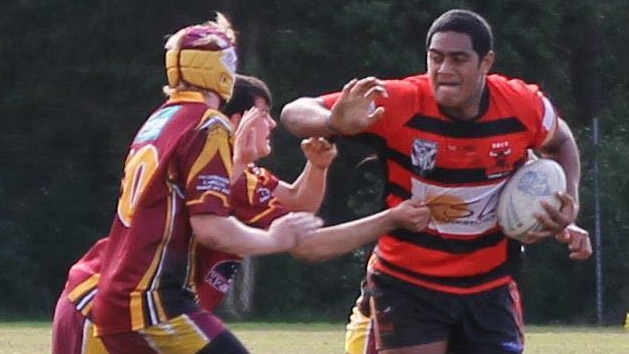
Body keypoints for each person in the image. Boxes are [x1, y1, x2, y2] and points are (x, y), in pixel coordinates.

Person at [52, 64, 431, 353]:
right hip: (112, 307)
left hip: (111, 301)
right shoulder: (219, 170)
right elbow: (307, 243)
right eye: (262, 114)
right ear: (235, 120)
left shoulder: (242, 174)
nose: (270, 124)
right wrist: (392, 218)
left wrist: (316, 167)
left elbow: (299, 207)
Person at [281, 9, 592, 354]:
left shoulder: (521, 105)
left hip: (489, 286)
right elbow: (294, 113)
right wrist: (333, 121)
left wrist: (570, 200)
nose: (444, 70)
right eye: (436, 58)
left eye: (458, 59)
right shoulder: (400, 101)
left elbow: (560, 140)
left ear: (486, 62)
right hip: (408, 283)